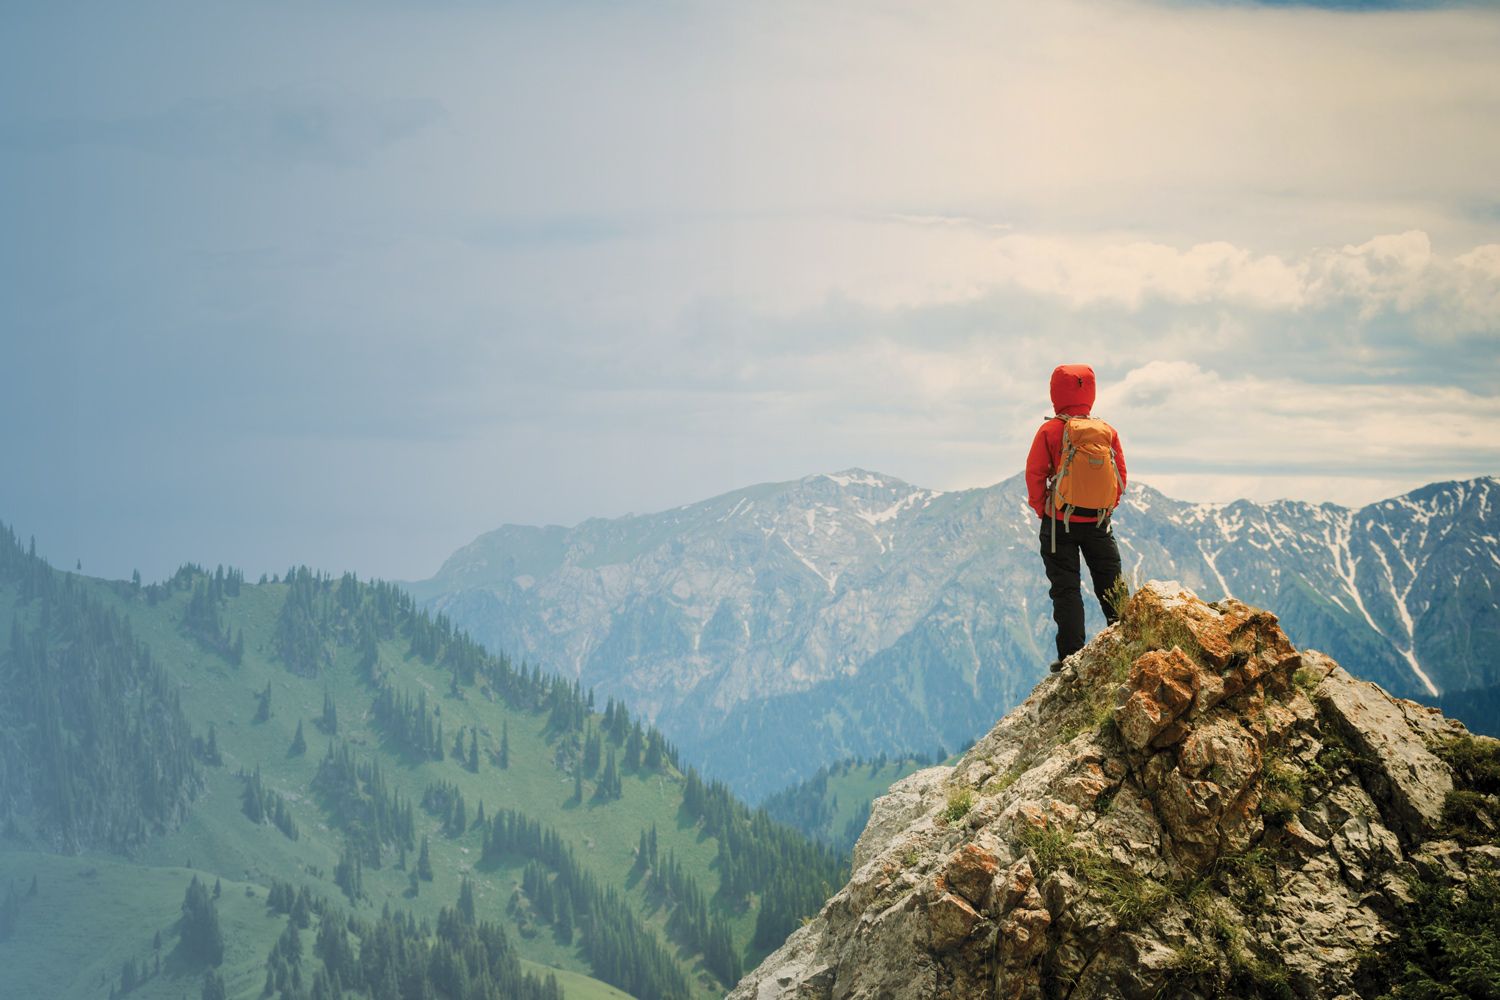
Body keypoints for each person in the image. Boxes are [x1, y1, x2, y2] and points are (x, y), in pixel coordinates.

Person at [1025, 364, 1127, 671]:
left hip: (1059, 524)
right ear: (1090, 393)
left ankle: (1071, 656)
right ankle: (1128, 638)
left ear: (1055, 392)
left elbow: (1035, 474)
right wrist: (1106, 507)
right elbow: (1120, 476)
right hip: (1098, 523)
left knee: (1066, 589)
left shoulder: (1049, 431)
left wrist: (1044, 508)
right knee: (1110, 583)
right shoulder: (1107, 432)